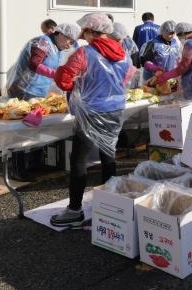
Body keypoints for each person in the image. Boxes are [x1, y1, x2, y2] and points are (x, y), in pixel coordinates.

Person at [50, 13, 134, 227]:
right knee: (108, 155)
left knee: (79, 159)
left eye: (84, 32)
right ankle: (111, 204)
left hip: (91, 111)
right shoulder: (123, 52)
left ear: (90, 31)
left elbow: (64, 81)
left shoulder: (85, 52)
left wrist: (76, 84)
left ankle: (75, 210)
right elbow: (127, 78)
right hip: (115, 109)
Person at [7, 23, 80, 100]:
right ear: (61, 34)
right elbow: (34, 64)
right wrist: (57, 74)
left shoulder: (59, 48)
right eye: (70, 42)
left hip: (41, 92)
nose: (69, 46)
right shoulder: (43, 42)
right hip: (25, 90)